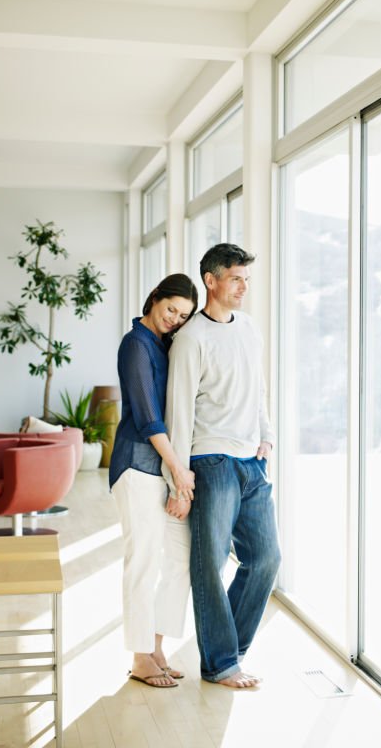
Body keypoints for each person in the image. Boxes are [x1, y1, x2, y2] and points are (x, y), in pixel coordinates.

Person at [165, 243, 281, 689]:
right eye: (236, 278)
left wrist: (266, 434)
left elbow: (259, 388)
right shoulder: (191, 338)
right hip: (210, 460)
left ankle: (228, 652)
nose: (243, 287)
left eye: (246, 279)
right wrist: (179, 479)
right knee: (209, 563)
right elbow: (179, 411)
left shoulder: (249, 328)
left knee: (266, 559)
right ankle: (220, 663)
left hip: (252, 460)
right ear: (211, 281)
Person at [108, 273, 199, 689]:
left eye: (183, 316)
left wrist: (176, 470)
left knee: (179, 562)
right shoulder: (136, 345)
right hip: (138, 467)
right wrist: (179, 470)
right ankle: (139, 657)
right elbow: (147, 417)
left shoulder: (167, 345)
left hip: (163, 468)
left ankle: (156, 645)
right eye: (170, 310)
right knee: (142, 561)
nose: (175, 320)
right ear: (154, 299)